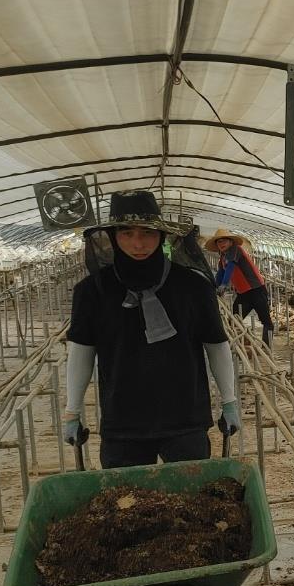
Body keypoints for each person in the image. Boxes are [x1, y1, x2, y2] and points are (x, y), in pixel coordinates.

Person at [64, 191, 242, 469]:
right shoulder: (92, 292)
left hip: (185, 417)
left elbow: (216, 344)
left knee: (189, 493)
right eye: (127, 233)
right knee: (126, 495)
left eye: (147, 232)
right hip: (123, 421)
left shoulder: (193, 287)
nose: (138, 243)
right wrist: (72, 412)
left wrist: (229, 402)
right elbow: (81, 352)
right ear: (113, 237)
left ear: (161, 235)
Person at [206, 228, 274, 347]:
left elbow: (230, 267)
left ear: (231, 242)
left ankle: (266, 348)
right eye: (219, 242)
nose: (221, 244)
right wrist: (215, 286)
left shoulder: (235, 250)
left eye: (224, 241)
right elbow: (221, 272)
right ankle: (234, 344)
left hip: (256, 290)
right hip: (243, 293)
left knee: (266, 321)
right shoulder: (223, 256)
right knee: (234, 319)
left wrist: (224, 285)